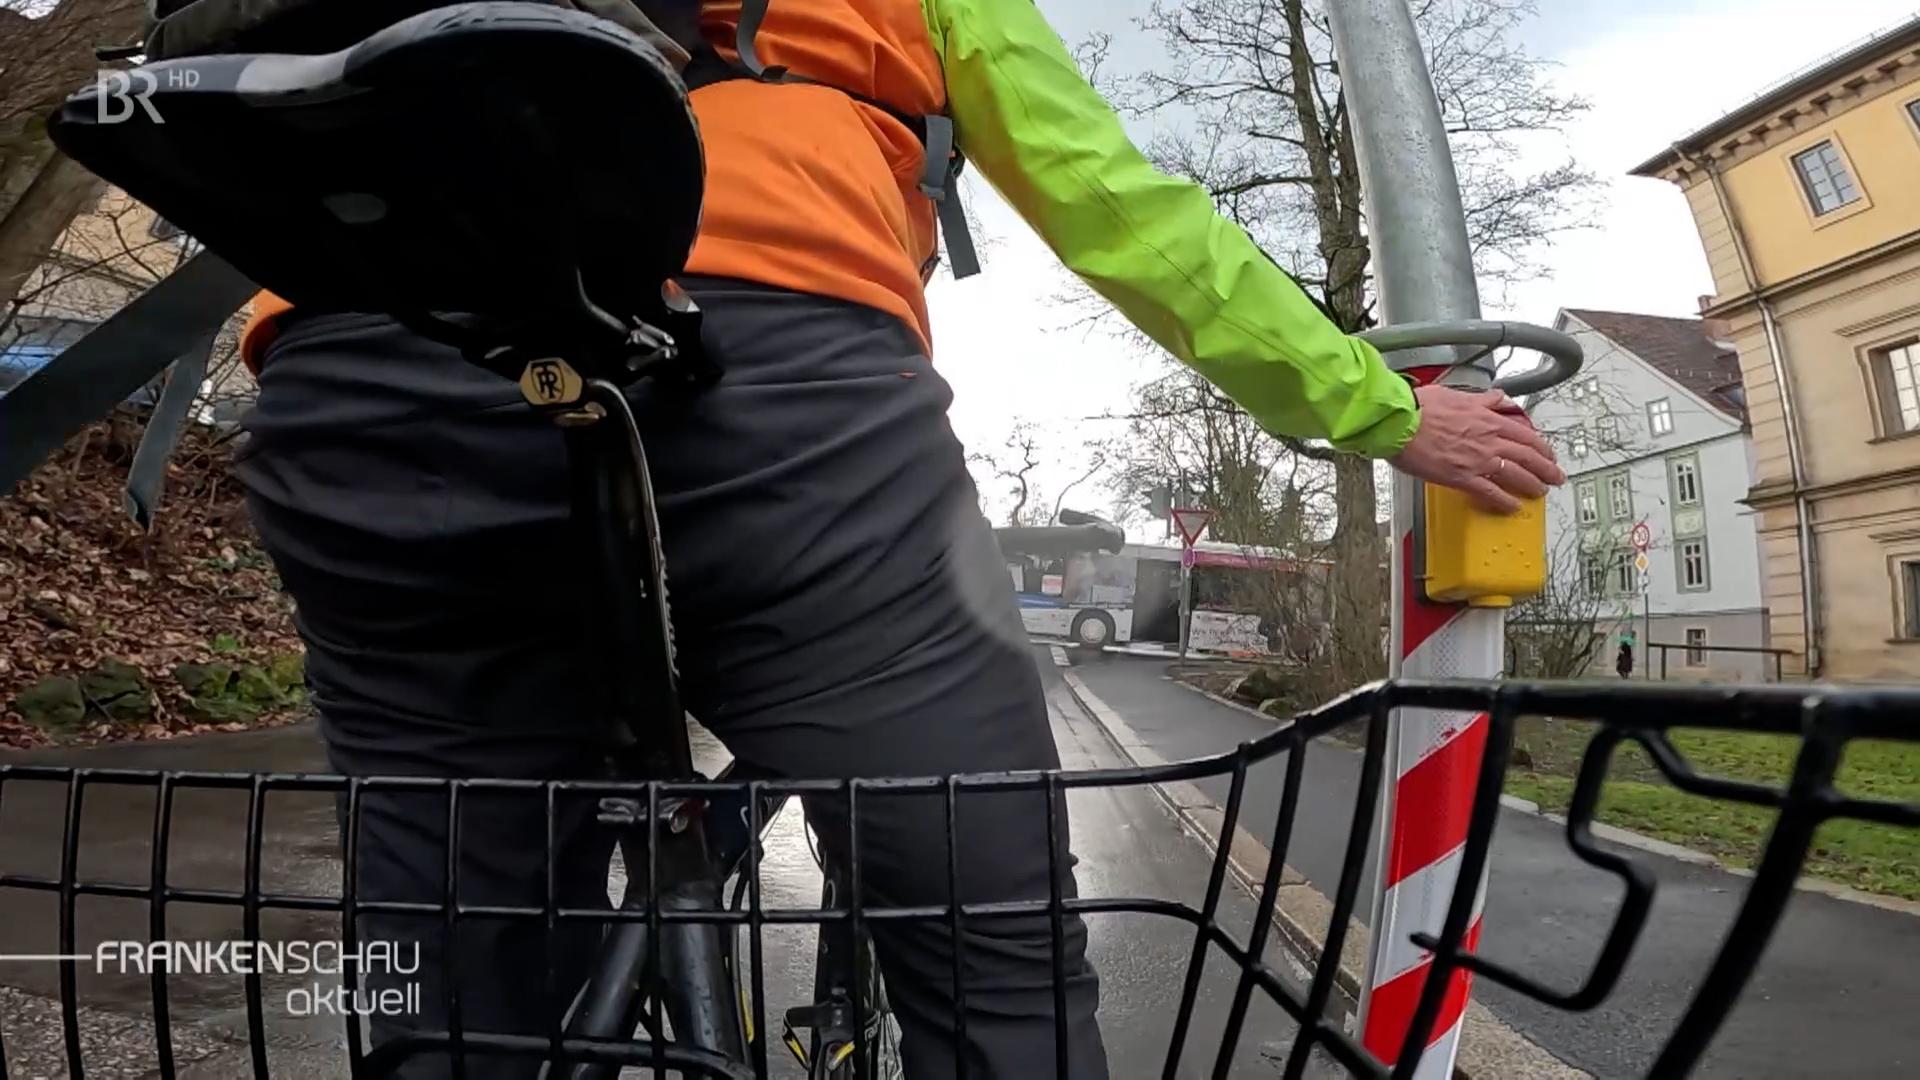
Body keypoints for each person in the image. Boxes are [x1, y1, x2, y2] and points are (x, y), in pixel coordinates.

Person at [230, 1, 1565, 1076]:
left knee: (456, 970)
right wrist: (1378, 407)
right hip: (763, 385)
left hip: (359, 387)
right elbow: (1125, 214)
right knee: (996, 968)